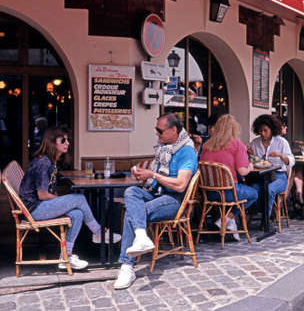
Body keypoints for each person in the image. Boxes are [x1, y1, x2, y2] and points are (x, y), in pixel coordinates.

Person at [114, 113, 198, 289]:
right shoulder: (163, 148)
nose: (156, 134)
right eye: (156, 130)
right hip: (155, 193)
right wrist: (142, 176)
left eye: (160, 131)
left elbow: (181, 185)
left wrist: (152, 174)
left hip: (174, 200)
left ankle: (127, 266)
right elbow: (155, 179)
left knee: (133, 213)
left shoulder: (187, 152)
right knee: (131, 192)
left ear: (173, 130)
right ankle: (141, 236)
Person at [19, 126, 120, 271]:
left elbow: (46, 193)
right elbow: (42, 195)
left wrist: (60, 201)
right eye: (63, 140)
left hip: (39, 206)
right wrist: (60, 200)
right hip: (34, 210)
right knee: (79, 198)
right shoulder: (43, 163)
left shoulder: (50, 161)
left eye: (68, 140)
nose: (67, 143)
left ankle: (65, 256)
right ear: (52, 143)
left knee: (77, 214)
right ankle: (98, 232)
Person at [200, 114, 258, 240]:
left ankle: (226, 221)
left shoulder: (206, 145)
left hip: (208, 193)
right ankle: (227, 218)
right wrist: (250, 167)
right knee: (254, 193)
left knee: (241, 192)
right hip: (228, 192)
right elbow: (242, 171)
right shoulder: (237, 144)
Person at [248, 115, 295, 226]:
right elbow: (253, 161)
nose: (262, 133)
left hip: (279, 176)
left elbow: (291, 161)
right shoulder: (255, 142)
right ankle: (265, 212)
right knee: (253, 190)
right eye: (260, 130)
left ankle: (265, 220)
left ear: (272, 129)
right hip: (261, 176)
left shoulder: (281, 142)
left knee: (269, 190)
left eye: (265, 130)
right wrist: (248, 154)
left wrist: (280, 155)